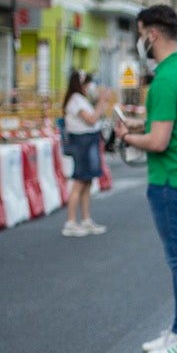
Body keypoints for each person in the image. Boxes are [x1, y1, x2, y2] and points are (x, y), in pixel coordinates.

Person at [116, 4, 177, 353]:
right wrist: (139, 127)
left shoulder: (166, 78)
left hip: (171, 176)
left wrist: (127, 138)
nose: (140, 41)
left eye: (140, 33)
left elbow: (159, 142)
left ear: (151, 33)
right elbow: (176, 125)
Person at [61, 70, 113, 237]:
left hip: (89, 141)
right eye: (89, 83)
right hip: (81, 143)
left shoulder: (81, 100)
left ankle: (85, 219)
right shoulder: (75, 100)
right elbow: (91, 119)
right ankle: (70, 221)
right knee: (80, 181)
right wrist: (102, 101)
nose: (92, 87)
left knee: (88, 182)